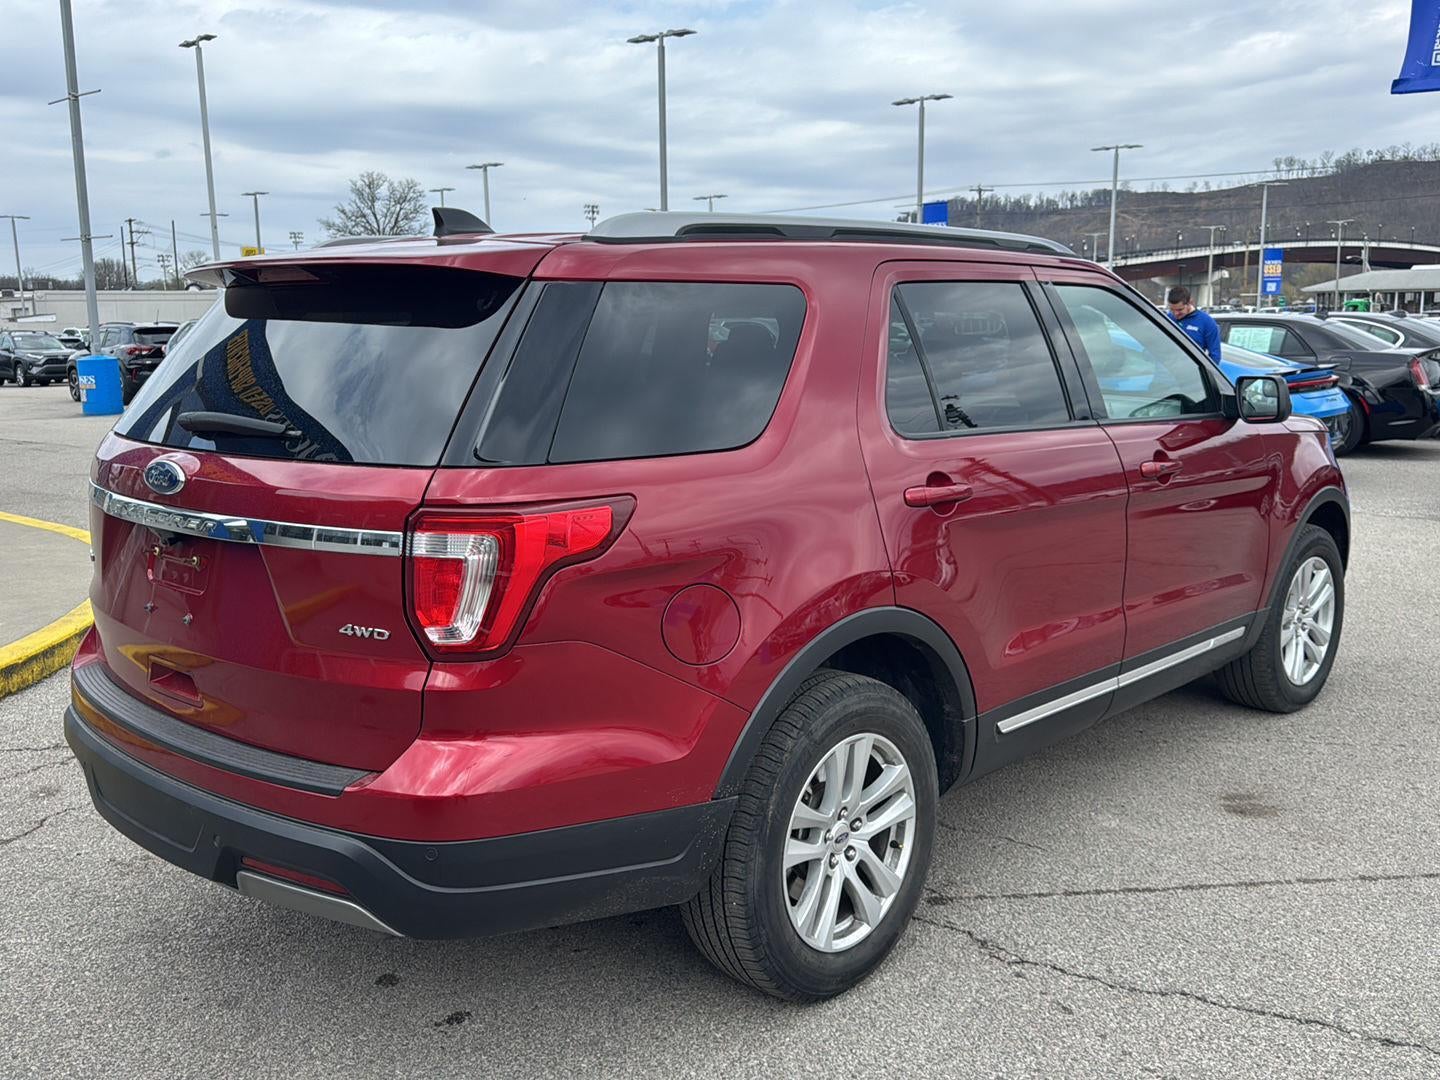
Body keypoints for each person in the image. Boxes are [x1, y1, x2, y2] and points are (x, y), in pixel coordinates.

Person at [1165, 286, 1222, 363]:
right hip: (1164, 371)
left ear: (1190, 303)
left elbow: (1215, 356)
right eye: (1172, 310)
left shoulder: (1207, 322)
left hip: (1189, 372)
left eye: (1180, 310)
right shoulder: (1168, 318)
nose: (1175, 313)